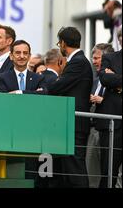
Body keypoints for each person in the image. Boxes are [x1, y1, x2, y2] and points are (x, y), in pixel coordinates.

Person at [42, 27, 93, 187]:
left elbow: (57, 87)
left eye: (59, 43)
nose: (60, 47)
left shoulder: (78, 62)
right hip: (70, 123)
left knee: (75, 169)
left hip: (75, 123)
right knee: (69, 170)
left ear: (63, 43)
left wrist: (51, 83)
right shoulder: (78, 61)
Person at [96, 27, 122, 188]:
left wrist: (117, 80)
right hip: (113, 125)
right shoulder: (109, 58)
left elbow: (112, 79)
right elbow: (105, 79)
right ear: (120, 39)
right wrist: (111, 78)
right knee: (108, 173)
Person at [87, 43, 114, 188]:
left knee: (109, 170)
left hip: (111, 130)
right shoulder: (95, 81)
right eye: (93, 58)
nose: (94, 61)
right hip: (93, 130)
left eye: (97, 58)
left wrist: (103, 100)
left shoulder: (116, 79)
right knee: (91, 170)